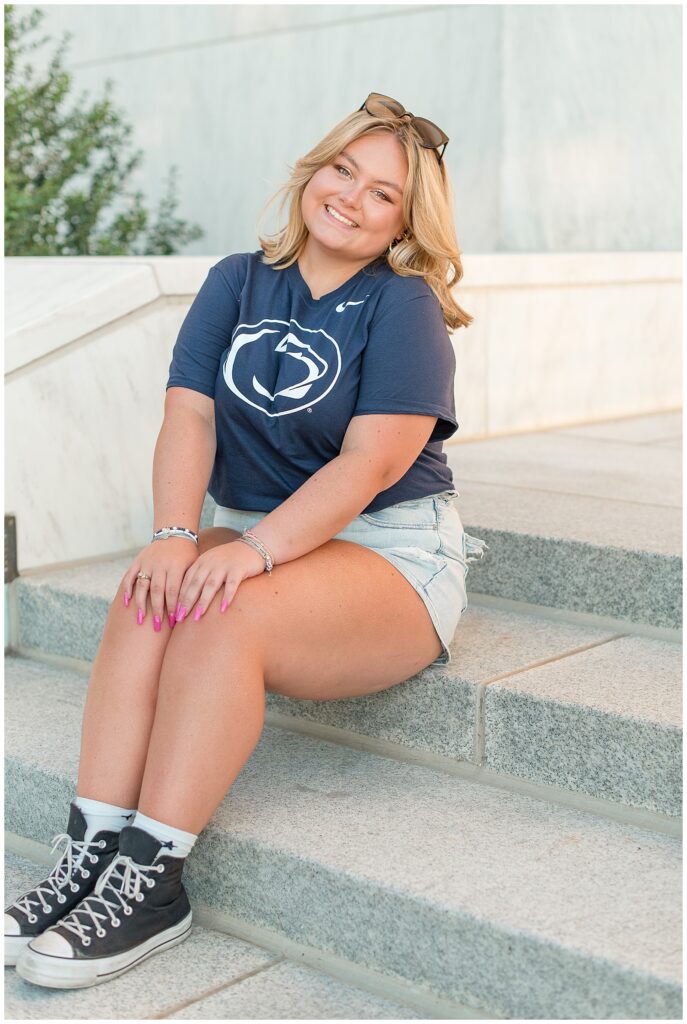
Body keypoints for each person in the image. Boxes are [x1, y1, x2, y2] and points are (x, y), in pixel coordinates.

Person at [5, 91, 487, 989]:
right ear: (315, 170)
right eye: (344, 169)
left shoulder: (403, 305)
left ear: (401, 222)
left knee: (223, 611)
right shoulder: (239, 279)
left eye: (383, 193)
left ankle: (151, 884)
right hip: (268, 532)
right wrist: (175, 534)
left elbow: (370, 465)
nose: (351, 197)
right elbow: (188, 415)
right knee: (150, 594)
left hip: (390, 552)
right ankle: (91, 853)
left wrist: (251, 551)